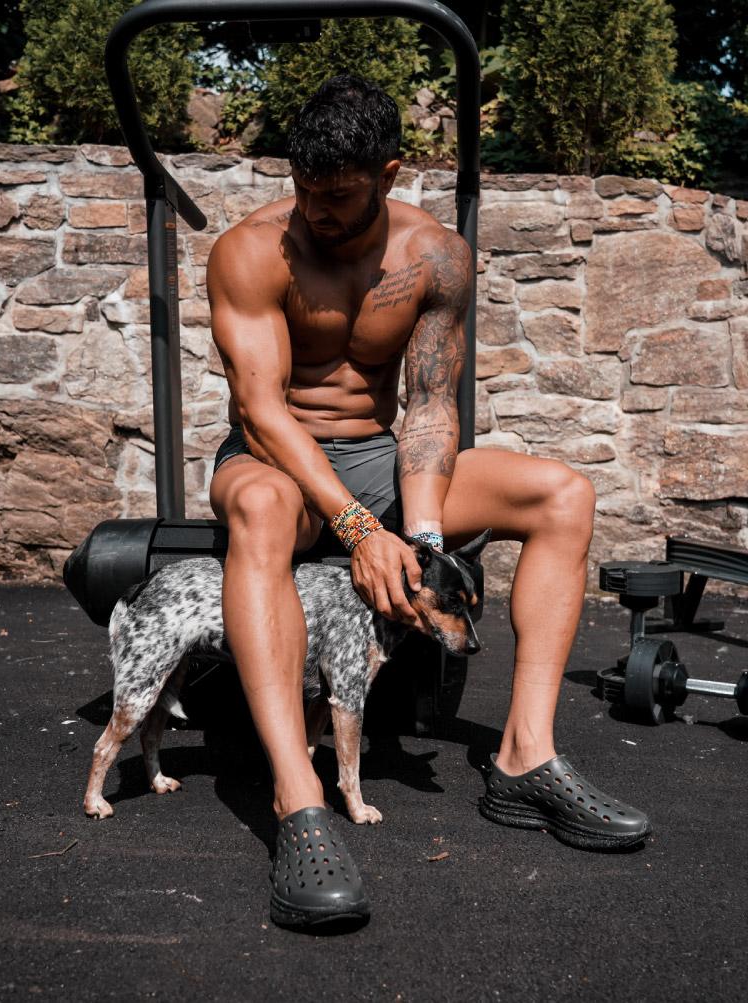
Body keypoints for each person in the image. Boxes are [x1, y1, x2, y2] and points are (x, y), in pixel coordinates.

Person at [206, 74, 649, 928]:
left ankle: (525, 758)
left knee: (563, 493)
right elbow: (263, 411)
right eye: (306, 192)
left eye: (338, 196)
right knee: (260, 507)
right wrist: (360, 528)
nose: (319, 215)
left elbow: (432, 403)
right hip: (277, 461)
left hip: (380, 452)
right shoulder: (252, 250)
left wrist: (424, 532)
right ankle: (300, 805)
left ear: (390, 172)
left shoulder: (435, 255)